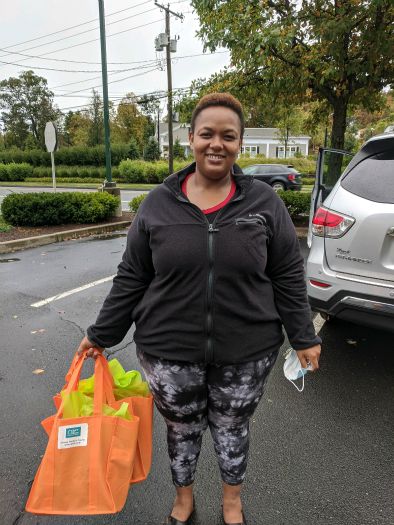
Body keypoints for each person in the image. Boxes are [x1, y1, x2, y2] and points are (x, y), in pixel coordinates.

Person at [77, 93, 321, 525]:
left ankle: (231, 502)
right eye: (206, 133)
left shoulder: (264, 203)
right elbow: (133, 274)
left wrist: (304, 336)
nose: (216, 144)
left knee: (232, 429)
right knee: (181, 430)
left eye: (228, 136)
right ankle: (183, 498)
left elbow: (286, 273)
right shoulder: (158, 203)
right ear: (190, 138)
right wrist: (100, 334)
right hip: (169, 351)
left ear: (239, 143)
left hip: (246, 351)